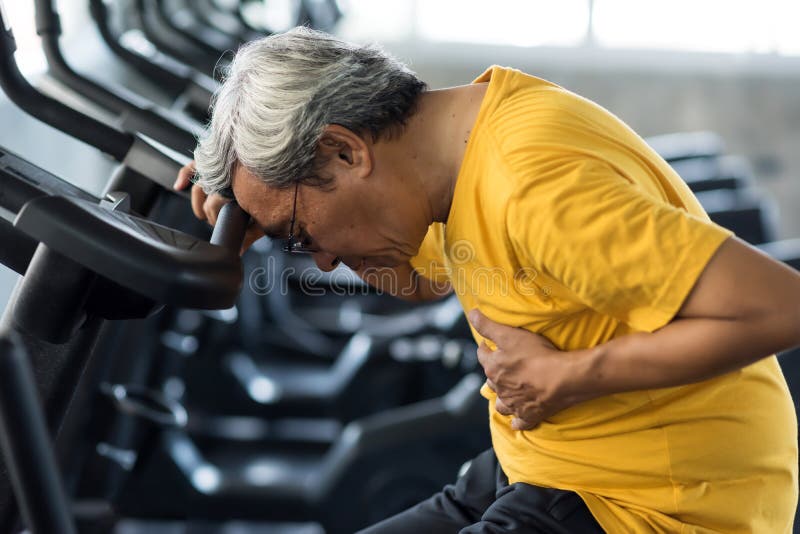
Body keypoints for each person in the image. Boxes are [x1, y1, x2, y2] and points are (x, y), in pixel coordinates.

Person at [174, 27, 800, 532]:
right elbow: (424, 279)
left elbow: (780, 307)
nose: (324, 261)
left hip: (655, 504)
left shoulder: (534, 185)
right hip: (551, 464)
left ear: (344, 151)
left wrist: (564, 377)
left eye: (305, 235)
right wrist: (263, 216)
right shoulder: (453, 154)